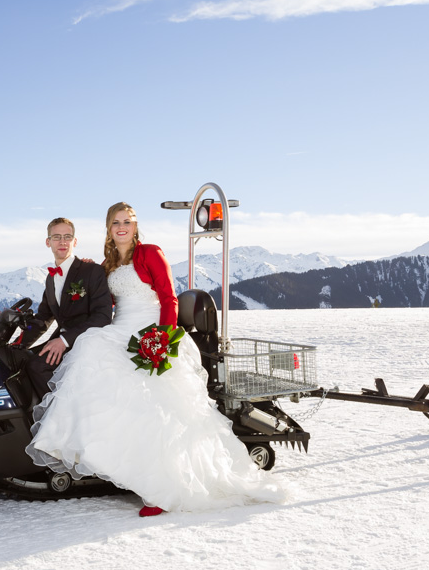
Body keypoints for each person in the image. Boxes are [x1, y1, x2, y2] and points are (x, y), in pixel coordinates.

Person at [26, 203, 284, 517]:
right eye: (115, 223)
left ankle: (163, 489)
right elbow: (104, 303)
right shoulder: (107, 263)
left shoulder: (149, 253)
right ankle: (105, 459)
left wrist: (161, 338)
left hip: (150, 330)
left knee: (155, 409)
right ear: (108, 228)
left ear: (135, 226)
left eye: (128, 222)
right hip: (118, 330)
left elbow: (168, 297)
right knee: (103, 377)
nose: (122, 227)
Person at [23, 217, 113, 399]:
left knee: (37, 366)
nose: (62, 242)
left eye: (67, 236)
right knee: (21, 360)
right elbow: (42, 319)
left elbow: (102, 316)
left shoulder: (92, 271)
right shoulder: (50, 279)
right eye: (56, 237)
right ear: (48, 242)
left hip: (86, 341)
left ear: (75, 241)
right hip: (63, 339)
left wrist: (64, 341)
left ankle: (58, 417)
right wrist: (18, 343)